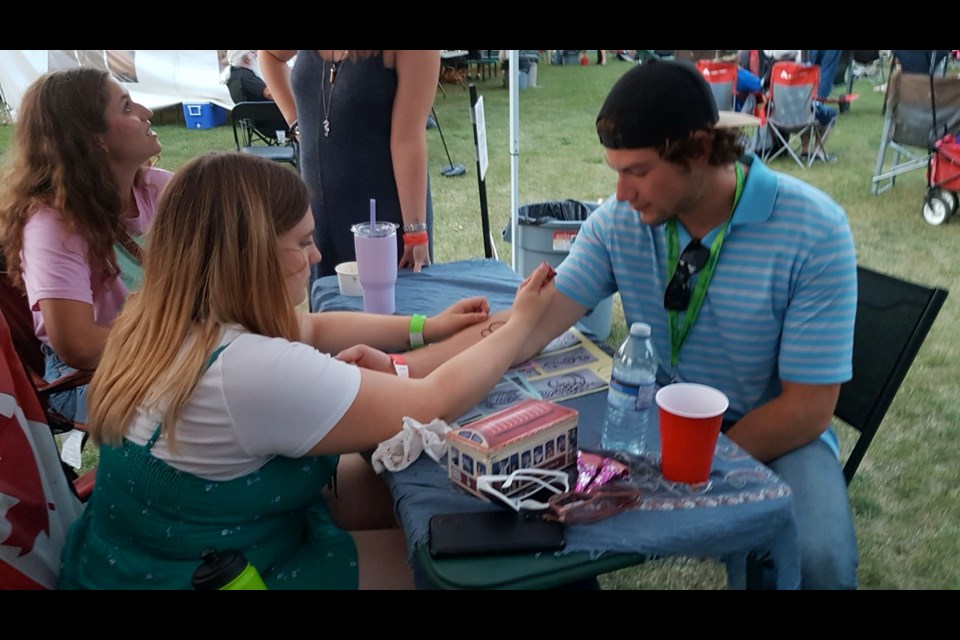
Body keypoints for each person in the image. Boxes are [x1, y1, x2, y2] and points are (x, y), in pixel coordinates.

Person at [403, 59, 860, 590]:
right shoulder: (620, 223)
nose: (621, 193)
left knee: (820, 560)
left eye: (637, 172)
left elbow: (808, 408)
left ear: (700, 149)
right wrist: (404, 368)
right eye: (615, 171)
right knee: (534, 518)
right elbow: (532, 325)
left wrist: (695, 464)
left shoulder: (815, 230)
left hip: (779, 432)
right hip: (656, 423)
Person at [57, 152, 557, 590]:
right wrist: (521, 327)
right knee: (464, 570)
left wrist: (427, 326)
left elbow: (312, 329)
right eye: (303, 241)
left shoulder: (159, 319)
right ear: (249, 256)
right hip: (225, 575)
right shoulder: (246, 370)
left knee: (417, 498)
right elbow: (430, 401)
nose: (316, 256)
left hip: (136, 561)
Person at [0, 67, 171, 424]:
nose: (146, 112)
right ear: (94, 139)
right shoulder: (53, 224)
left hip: (162, 346)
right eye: (126, 107)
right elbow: (78, 345)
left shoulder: (159, 190)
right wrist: (181, 342)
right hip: (93, 375)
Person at [259, 50, 439, 287]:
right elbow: (269, 56)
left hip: (381, 220)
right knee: (328, 309)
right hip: (320, 214)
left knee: (388, 315)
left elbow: (408, 140)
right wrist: (295, 123)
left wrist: (415, 233)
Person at [221, 49, 287, 140]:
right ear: (246, 59)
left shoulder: (234, 75)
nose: (256, 56)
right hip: (272, 122)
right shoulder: (244, 76)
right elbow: (269, 93)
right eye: (252, 53)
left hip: (256, 120)